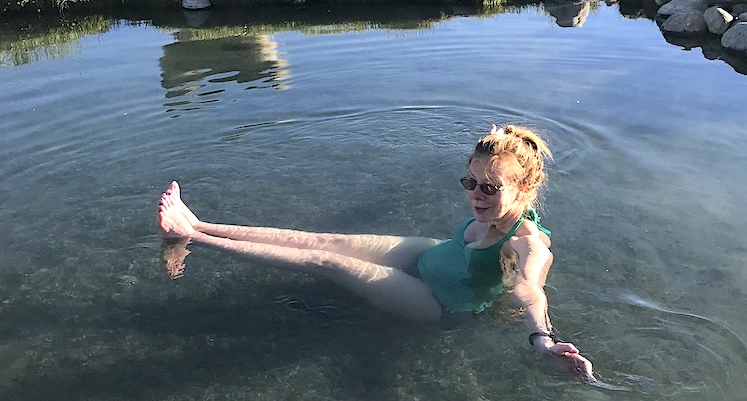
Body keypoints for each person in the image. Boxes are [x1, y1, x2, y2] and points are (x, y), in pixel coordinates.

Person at [156, 124, 595, 382]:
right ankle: (198, 224)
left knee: (326, 261)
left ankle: (190, 239)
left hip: (440, 304)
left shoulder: (527, 243)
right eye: (470, 183)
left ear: (523, 188)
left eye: (490, 188)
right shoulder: (491, 209)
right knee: (323, 240)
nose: (476, 196)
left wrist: (542, 341)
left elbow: (529, 290)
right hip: (436, 257)